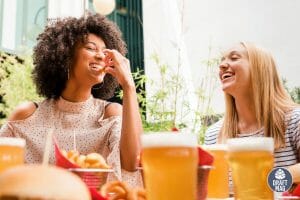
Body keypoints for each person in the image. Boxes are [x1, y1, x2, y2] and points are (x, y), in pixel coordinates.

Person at [0, 13, 143, 186]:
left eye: (104, 51)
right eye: (91, 48)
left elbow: (132, 163)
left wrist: (128, 85)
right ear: (66, 55)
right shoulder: (28, 116)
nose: (101, 56)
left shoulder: (109, 114)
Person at [205, 42, 300, 168]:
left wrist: (274, 179)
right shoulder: (213, 134)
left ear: (260, 69)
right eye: (222, 61)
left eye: (234, 58)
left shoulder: (294, 121)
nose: (221, 65)